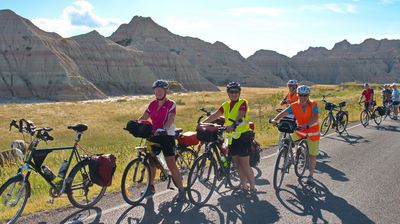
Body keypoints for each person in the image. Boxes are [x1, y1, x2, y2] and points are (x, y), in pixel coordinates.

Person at [202, 82, 256, 196]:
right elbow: (215, 115)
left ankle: (252, 187)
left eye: (236, 91)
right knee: (237, 164)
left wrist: (233, 124)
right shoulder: (225, 105)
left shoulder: (243, 103)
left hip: (242, 137)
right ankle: (244, 186)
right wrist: (203, 123)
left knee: (245, 164)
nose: (234, 94)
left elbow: (241, 114)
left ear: (239, 93)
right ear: (228, 93)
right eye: (232, 92)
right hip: (231, 138)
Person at [138, 80, 185, 201]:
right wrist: (135, 124)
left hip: (167, 135)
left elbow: (170, 119)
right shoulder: (152, 104)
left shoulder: (171, 104)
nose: (158, 92)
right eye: (156, 90)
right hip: (154, 135)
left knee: (171, 164)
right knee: (151, 162)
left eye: (160, 90)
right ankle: (151, 186)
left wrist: (163, 129)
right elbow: (144, 117)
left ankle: (181, 190)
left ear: (165, 91)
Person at [270, 85, 320, 185]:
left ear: (308, 95)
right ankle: (292, 155)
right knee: (287, 141)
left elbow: (315, 118)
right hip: (300, 131)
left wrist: (307, 125)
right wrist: (275, 120)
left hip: (312, 133)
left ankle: (310, 176)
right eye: (301, 95)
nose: (303, 97)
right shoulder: (294, 105)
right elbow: (283, 113)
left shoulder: (313, 104)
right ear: (298, 95)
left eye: (305, 95)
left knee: (312, 156)